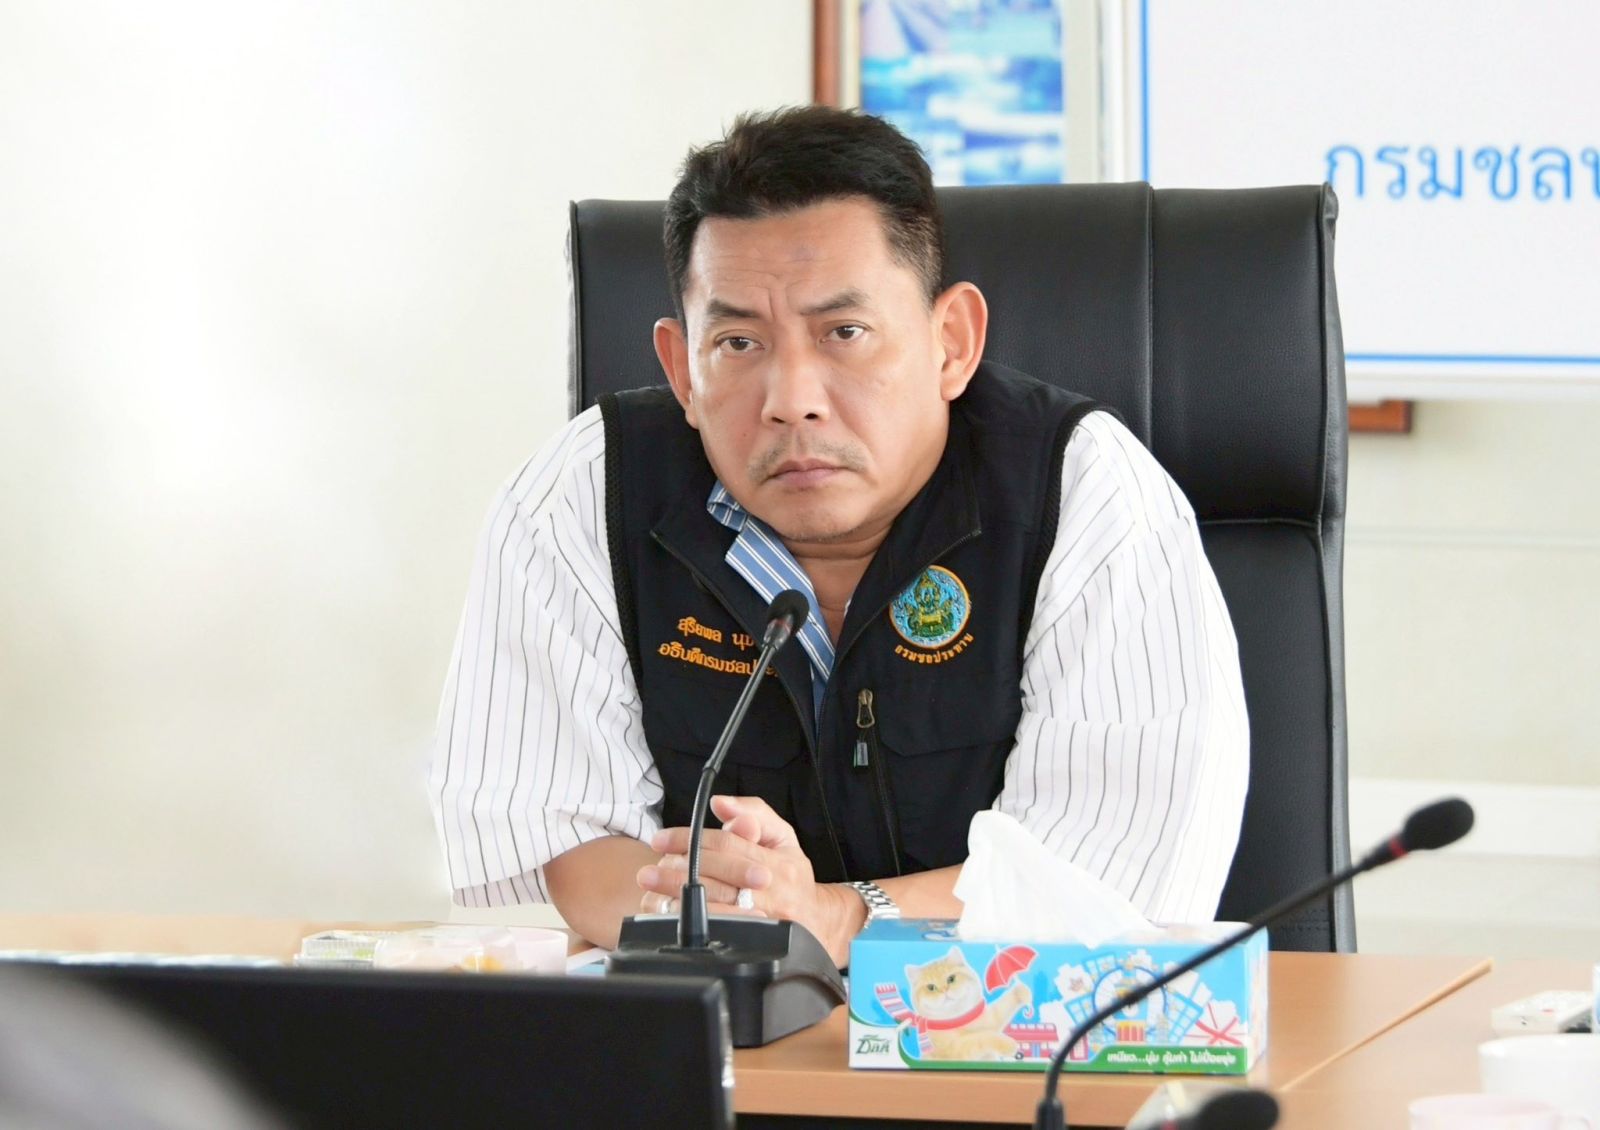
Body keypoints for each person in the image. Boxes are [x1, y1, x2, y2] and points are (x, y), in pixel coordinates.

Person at [429, 106, 1248, 967]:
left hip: (1018, 1034)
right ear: (682, 372)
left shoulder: (1084, 494)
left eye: (844, 333)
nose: (793, 399)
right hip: (719, 1023)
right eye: (738, 342)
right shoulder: (585, 493)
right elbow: (565, 834)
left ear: (951, 343)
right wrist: (733, 913)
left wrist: (835, 919)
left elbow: (1104, 883)